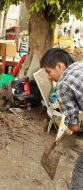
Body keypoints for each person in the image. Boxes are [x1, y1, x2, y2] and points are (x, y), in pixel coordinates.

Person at [40, 48, 83, 190]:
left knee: (80, 168)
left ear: (59, 66)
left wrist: (72, 127)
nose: (49, 77)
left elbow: (75, 127)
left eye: (48, 72)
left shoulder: (63, 85)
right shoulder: (79, 65)